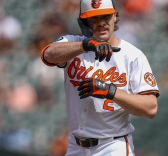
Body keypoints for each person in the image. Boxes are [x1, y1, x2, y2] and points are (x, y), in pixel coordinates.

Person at [40, 0, 160, 155]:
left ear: (115, 16)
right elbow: (48, 55)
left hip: (112, 145)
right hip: (75, 146)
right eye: (94, 18)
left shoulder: (132, 56)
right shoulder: (73, 44)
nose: (101, 23)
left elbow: (151, 108)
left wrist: (110, 91)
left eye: (106, 17)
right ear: (84, 22)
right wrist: (85, 45)